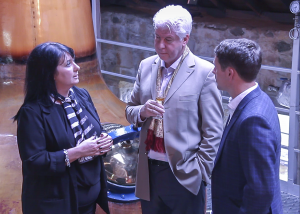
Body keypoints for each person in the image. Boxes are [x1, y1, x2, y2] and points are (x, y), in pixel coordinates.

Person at [125, 5, 223, 214]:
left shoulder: (204, 72)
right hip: (148, 171)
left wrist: (199, 172)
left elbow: (214, 131)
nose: (160, 45)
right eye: (157, 37)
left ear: (185, 39)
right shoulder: (145, 66)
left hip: (184, 174)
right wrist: (142, 111)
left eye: (168, 39)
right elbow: (129, 110)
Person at [14, 42, 112, 214]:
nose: (77, 67)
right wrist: (78, 152)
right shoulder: (32, 113)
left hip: (89, 198)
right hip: (58, 204)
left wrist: (103, 141)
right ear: (50, 73)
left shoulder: (81, 95)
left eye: (74, 61)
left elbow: (95, 131)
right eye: (68, 64)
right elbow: (34, 162)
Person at [211, 38, 283, 214]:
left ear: (230, 73)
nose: (213, 71)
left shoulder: (253, 120)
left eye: (216, 67)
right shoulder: (261, 98)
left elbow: (260, 192)